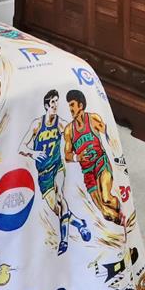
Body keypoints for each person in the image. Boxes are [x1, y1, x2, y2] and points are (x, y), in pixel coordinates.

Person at [21, 90, 92, 253]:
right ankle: (80, 223)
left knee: (61, 197)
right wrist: (33, 153)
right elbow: (21, 147)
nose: (55, 105)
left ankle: (64, 242)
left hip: (57, 167)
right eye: (52, 102)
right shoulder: (37, 124)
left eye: (56, 101)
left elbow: (72, 132)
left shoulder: (61, 123)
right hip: (43, 175)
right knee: (59, 211)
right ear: (46, 105)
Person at [62, 89, 124, 227]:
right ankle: (120, 223)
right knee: (104, 212)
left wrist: (117, 155)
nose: (70, 108)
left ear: (81, 105)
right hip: (87, 172)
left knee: (107, 198)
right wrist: (78, 157)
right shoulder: (69, 130)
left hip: (100, 162)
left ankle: (123, 211)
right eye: (69, 105)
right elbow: (67, 155)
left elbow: (109, 133)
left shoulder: (93, 119)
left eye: (72, 105)